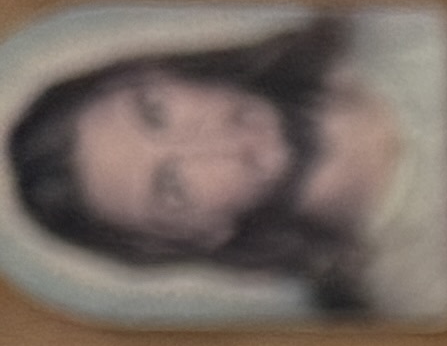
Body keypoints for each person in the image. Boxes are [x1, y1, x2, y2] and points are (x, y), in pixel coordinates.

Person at [8, 16, 413, 312]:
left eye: (156, 112)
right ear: (200, 235)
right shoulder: (407, 307)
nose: (204, 142)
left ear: (166, 71)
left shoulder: (388, 14)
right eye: (172, 186)